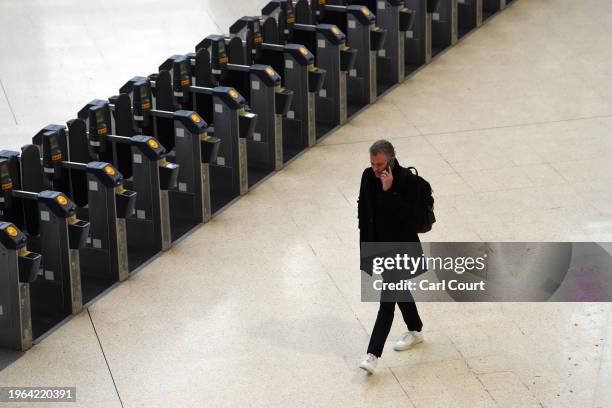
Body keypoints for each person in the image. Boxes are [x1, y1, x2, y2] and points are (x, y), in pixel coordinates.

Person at [358, 140, 424, 375]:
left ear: (392, 159)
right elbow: (364, 214)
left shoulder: (407, 181)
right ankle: (415, 329)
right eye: (373, 163)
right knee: (398, 291)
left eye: (380, 164)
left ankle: (372, 354)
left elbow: (409, 219)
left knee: (386, 304)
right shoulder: (367, 177)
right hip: (378, 248)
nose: (376, 168)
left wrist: (389, 191)